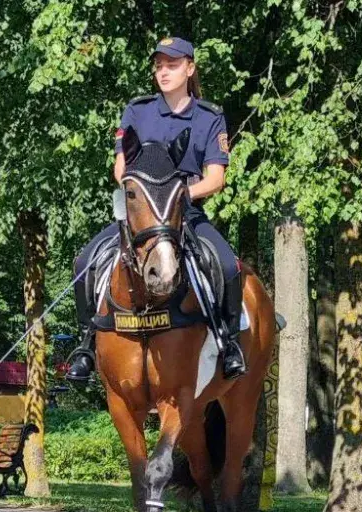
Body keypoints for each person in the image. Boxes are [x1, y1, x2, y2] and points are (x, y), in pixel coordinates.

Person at [65, 36, 246, 382]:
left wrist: (178, 196)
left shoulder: (210, 118)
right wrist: (146, 196)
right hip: (142, 216)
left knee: (227, 265)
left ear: (190, 69)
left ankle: (229, 341)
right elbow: (121, 168)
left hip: (184, 213)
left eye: (172, 65)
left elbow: (215, 178)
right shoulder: (137, 111)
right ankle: (87, 343)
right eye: (159, 65)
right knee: (85, 260)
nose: (163, 72)